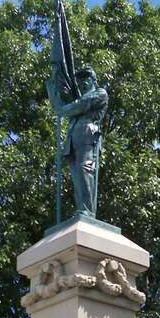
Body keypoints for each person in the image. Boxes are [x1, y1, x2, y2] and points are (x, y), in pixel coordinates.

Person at [51, 65, 108, 217]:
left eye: (86, 79)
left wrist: (63, 109)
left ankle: (88, 210)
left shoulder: (100, 93)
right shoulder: (77, 99)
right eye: (80, 80)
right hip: (73, 139)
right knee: (76, 175)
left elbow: (82, 105)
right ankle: (81, 208)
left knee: (85, 169)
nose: (82, 82)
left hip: (88, 135)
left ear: (93, 79)